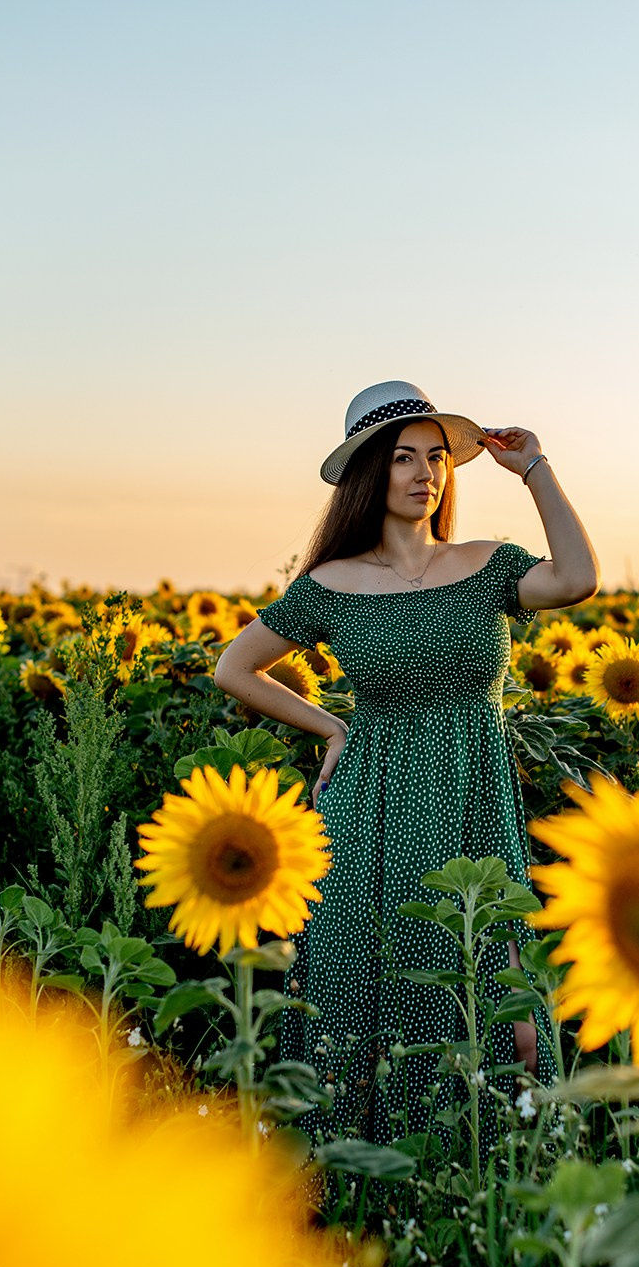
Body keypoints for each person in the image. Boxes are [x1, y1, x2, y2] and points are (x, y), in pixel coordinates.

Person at [214, 380, 600, 1145]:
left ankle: (484, 1165)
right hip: (372, 809)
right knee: (366, 986)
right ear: (369, 474)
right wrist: (331, 729)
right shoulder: (331, 584)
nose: (425, 473)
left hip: (471, 799)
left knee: (504, 1004)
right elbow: (235, 667)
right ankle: (366, 1183)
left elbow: (578, 578)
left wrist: (536, 470)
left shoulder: (488, 565)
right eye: (402, 458)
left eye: (436, 458)